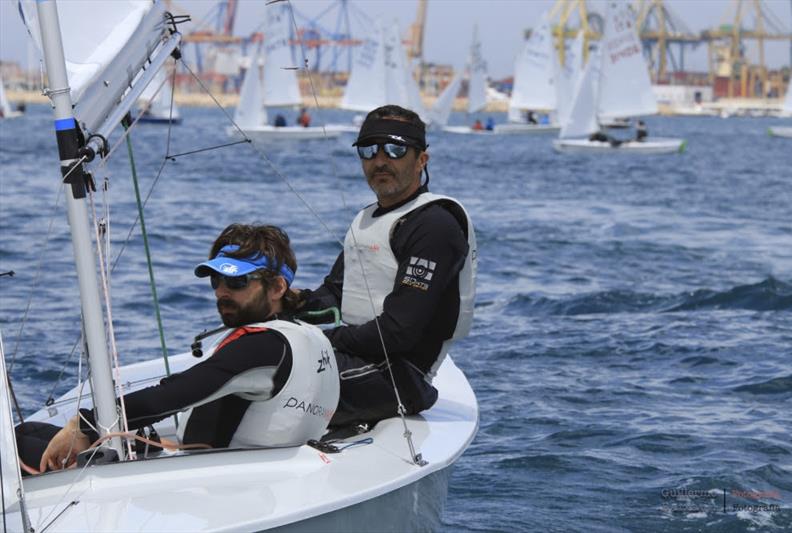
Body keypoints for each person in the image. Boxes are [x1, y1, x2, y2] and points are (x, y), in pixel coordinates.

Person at [16, 224, 339, 472]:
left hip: (213, 483)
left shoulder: (261, 346)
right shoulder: (311, 337)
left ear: (277, 287)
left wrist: (85, 423)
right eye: (216, 281)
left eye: (237, 282)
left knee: (16, 444)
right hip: (252, 467)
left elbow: (171, 396)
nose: (221, 292)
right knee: (30, 429)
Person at [297, 104, 476, 427]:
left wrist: (322, 340)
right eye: (368, 150)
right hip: (354, 360)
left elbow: (398, 333)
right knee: (252, 348)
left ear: (422, 159)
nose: (380, 161)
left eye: (395, 149)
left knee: (268, 365)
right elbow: (335, 295)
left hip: (399, 378)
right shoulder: (366, 219)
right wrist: (286, 303)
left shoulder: (434, 226)